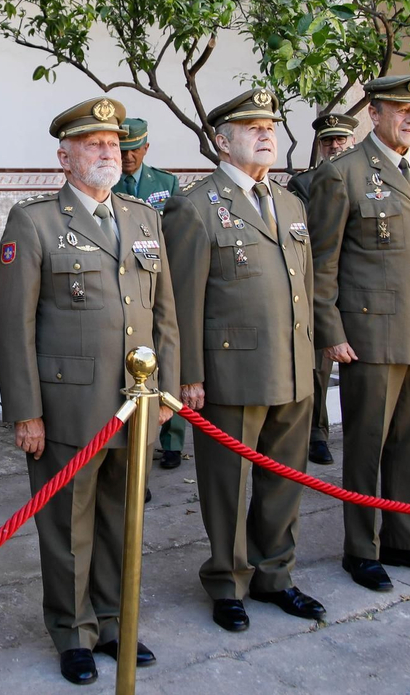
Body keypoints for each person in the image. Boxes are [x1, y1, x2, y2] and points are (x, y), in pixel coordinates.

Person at [0, 96, 178, 685]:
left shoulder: (142, 218)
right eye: (93, 144)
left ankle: (115, 620)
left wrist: (165, 391)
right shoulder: (35, 221)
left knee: (122, 520)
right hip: (67, 407)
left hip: (134, 403)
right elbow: (12, 324)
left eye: (113, 143)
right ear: (64, 157)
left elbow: (163, 314)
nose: (107, 152)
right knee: (68, 528)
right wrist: (25, 411)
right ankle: (73, 632)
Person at [164, 89, 325, 634]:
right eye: (251, 127)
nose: (265, 134)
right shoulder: (195, 205)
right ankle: (227, 581)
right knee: (227, 486)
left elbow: (305, 285)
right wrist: (189, 375)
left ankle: (274, 574)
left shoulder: (290, 202)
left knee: (285, 480)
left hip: (293, 366)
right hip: (231, 373)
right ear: (221, 141)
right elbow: (183, 300)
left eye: (270, 127)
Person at [309, 74, 410, 592]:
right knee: (367, 446)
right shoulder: (343, 173)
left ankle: (405, 539)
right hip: (370, 336)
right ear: (373, 114)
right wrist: (331, 330)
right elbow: (323, 264)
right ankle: (361, 548)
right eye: (401, 109)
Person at [112, 116, 185, 469]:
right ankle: (131, 447)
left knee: (168, 355)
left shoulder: (166, 183)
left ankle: (172, 440)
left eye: (134, 150)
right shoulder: (107, 180)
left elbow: (180, 233)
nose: (127, 157)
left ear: (146, 148)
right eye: (122, 150)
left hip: (162, 277)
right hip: (126, 283)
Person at [292, 112, 357, 466]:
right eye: (328, 141)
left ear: (352, 141)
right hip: (320, 282)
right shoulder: (304, 184)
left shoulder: (366, 177)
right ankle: (317, 433)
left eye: (340, 139)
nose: (335, 146)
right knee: (318, 364)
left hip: (359, 285)